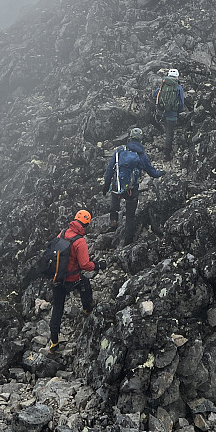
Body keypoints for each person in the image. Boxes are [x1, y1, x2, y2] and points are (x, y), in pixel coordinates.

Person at [49, 210, 105, 351]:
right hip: (72, 279)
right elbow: (85, 265)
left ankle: (53, 342)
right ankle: (87, 310)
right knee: (85, 284)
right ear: (86, 224)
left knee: (57, 308)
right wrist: (98, 265)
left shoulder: (62, 233)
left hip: (57, 277)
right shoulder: (79, 242)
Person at [103, 128, 164, 244]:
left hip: (117, 185)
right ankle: (128, 241)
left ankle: (114, 219)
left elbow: (110, 169)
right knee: (130, 216)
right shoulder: (142, 156)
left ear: (129, 137)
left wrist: (106, 185)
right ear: (141, 139)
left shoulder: (120, 151)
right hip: (131, 189)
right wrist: (161, 173)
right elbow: (152, 172)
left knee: (115, 195)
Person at [153, 69, 185, 161]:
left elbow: (155, 94)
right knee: (170, 133)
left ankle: (162, 147)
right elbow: (182, 103)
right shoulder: (178, 87)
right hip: (172, 114)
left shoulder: (163, 85)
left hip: (163, 113)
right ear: (177, 77)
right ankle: (166, 154)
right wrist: (177, 111)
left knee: (167, 131)